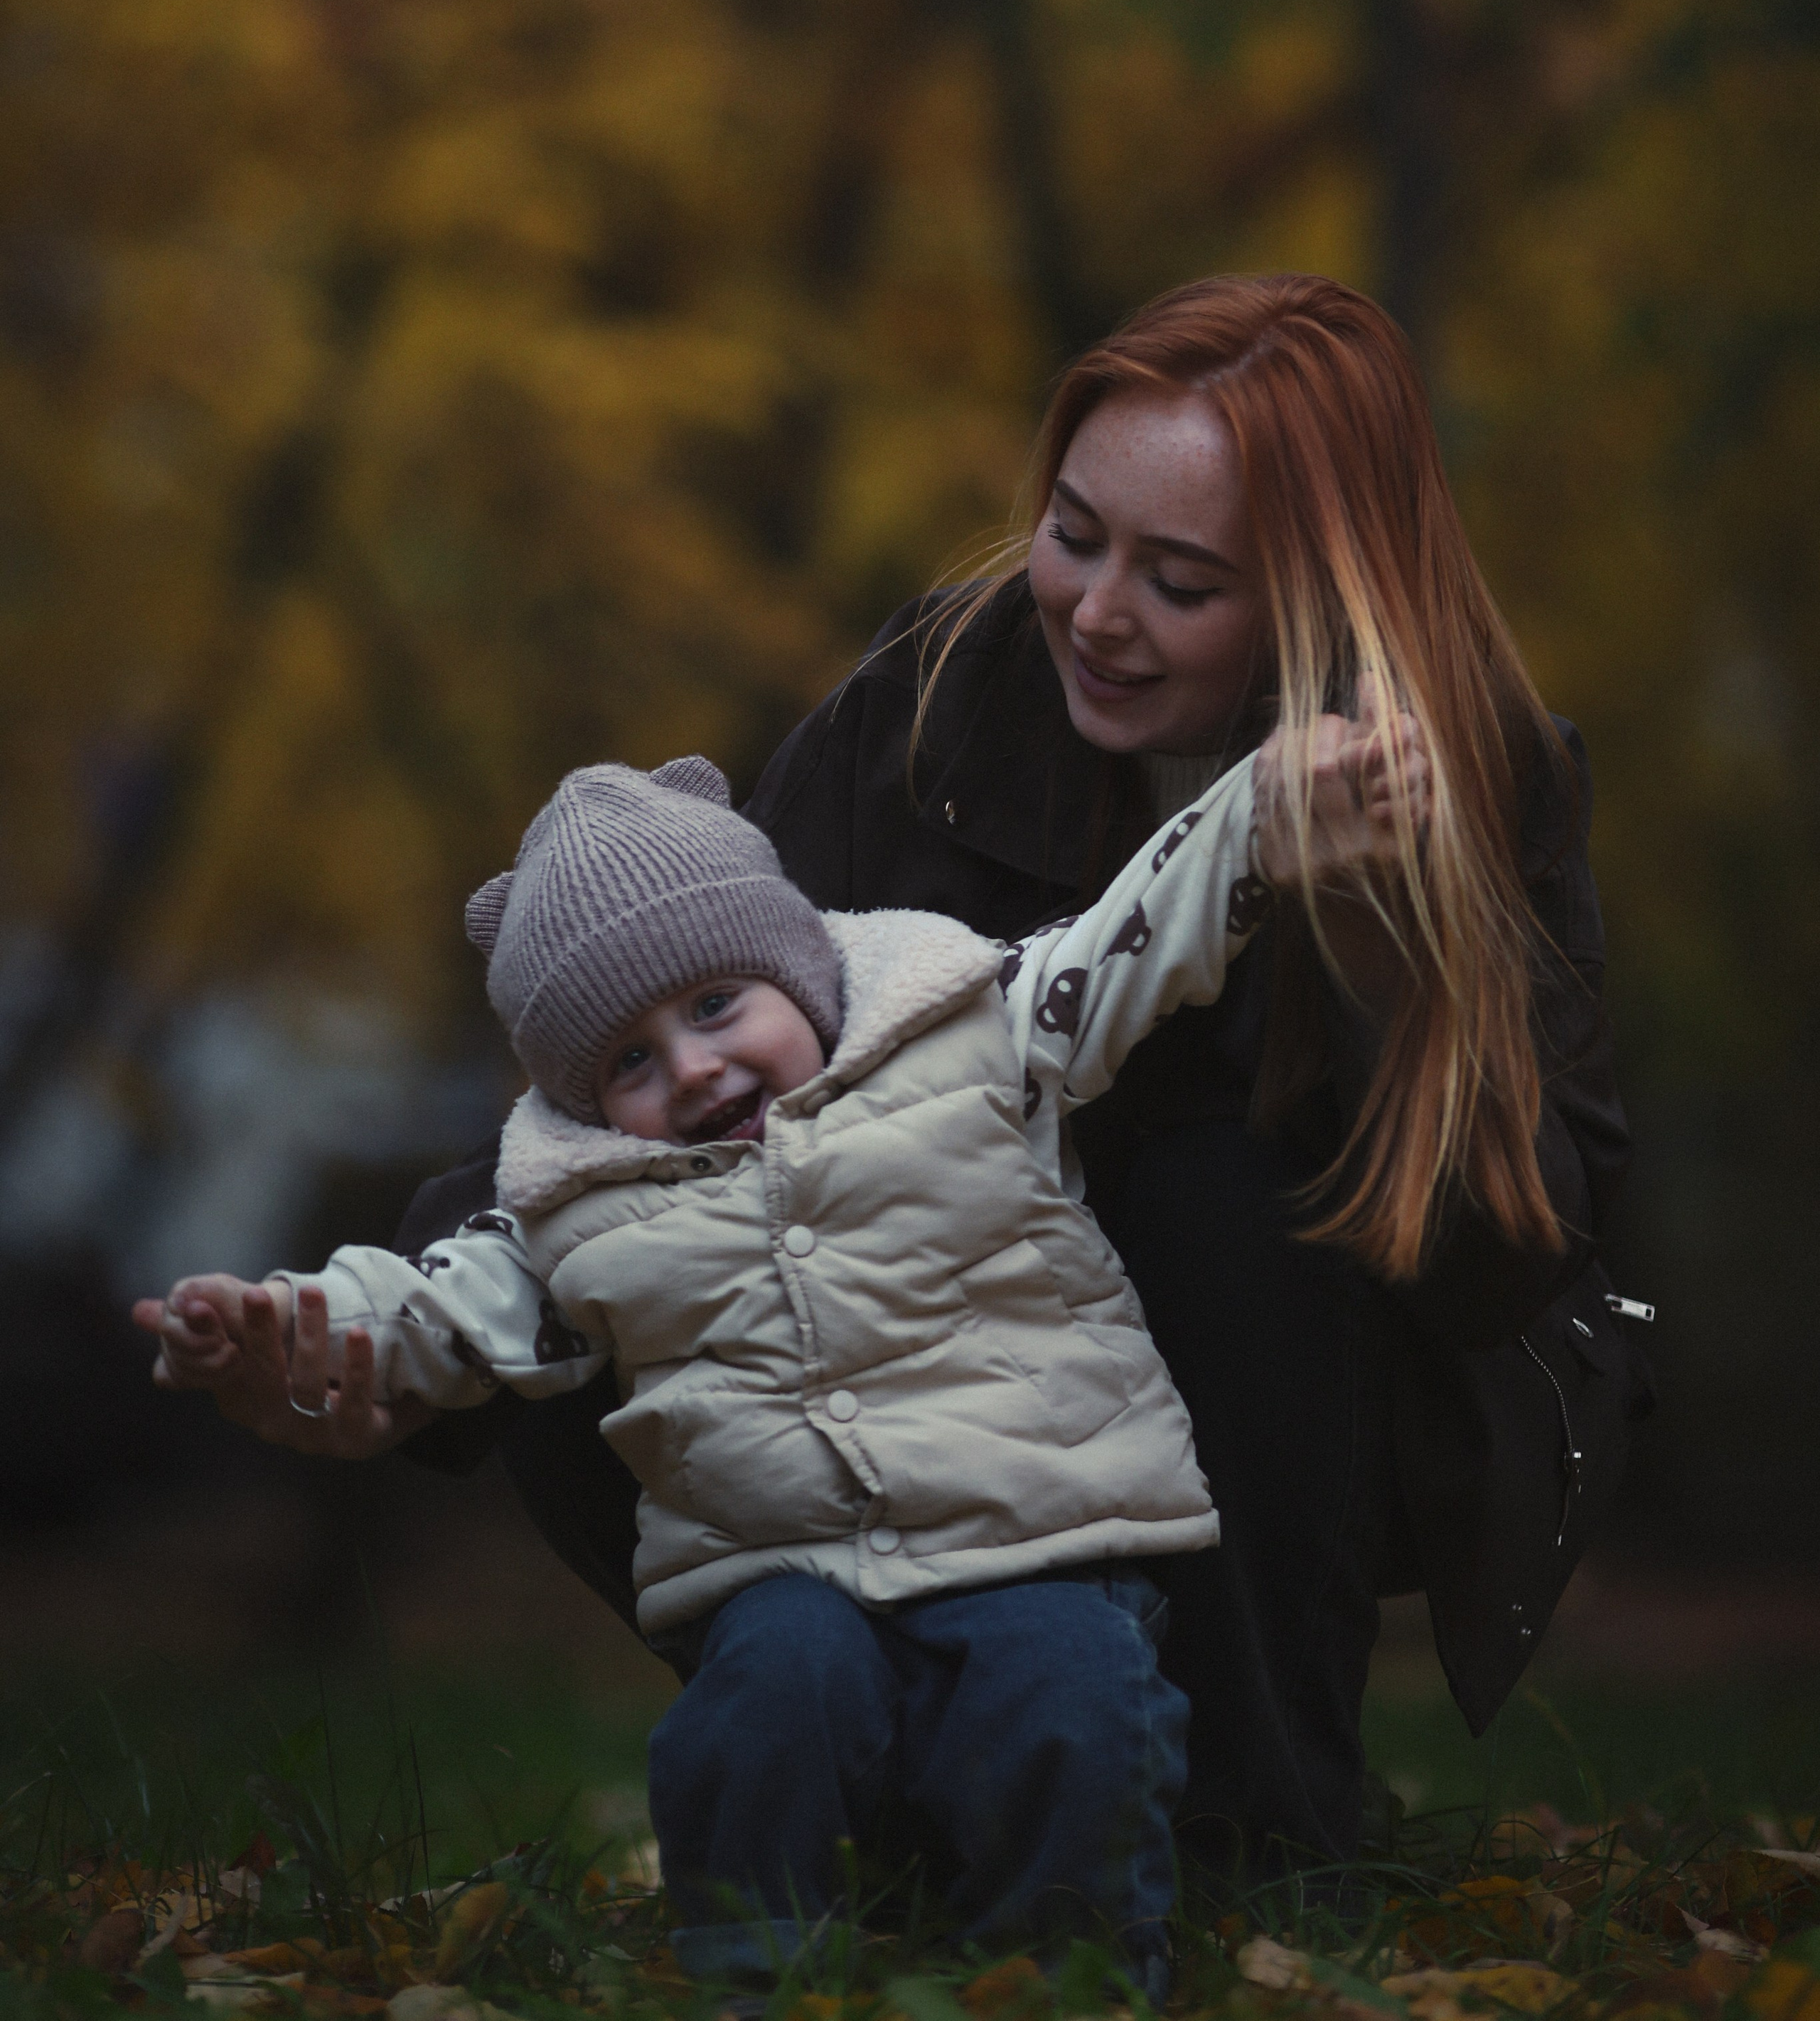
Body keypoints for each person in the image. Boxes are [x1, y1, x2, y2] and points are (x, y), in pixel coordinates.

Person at [178, 272, 1644, 1889]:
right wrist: (372, 1348)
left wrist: (1344, 944)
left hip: (1297, 1361)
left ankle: (1244, 1824)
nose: (1093, 611)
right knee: (605, 1275)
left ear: (1314, 597)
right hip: (916, 1337)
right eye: (1072, 534)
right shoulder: (932, 704)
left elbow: (1522, 1242)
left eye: (1179, 581)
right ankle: (864, 1779)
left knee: (1218, 1199)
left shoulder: (1483, 774)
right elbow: (653, 1063)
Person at [136, 722, 1423, 1987]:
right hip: (781, 1569)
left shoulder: (973, 1032)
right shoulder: (576, 1207)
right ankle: (760, 1964)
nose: (693, 1069)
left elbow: (1137, 938)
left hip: (1037, 1526)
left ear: (796, 968)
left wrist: (1257, 815)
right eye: (630, 1059)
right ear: (584, 1103)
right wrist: (296, 1334)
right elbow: (427, 1308)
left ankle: (1067, 1963)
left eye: (716, 1004)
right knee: (764, 1708)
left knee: (1072, 1704)